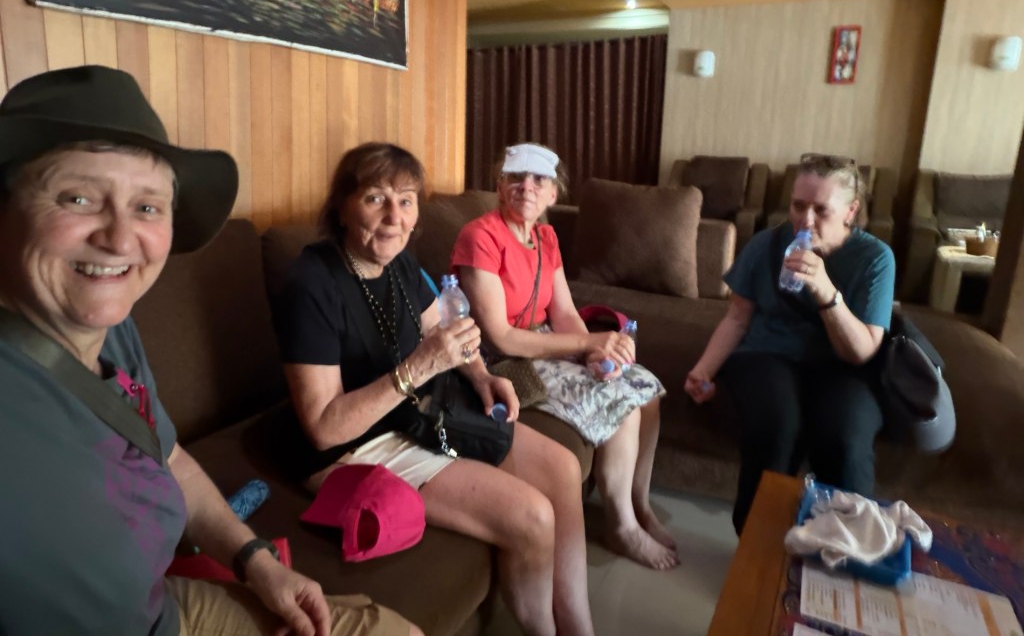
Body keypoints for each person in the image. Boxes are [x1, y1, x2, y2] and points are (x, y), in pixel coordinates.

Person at [0, 66, 417, 636]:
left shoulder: (112, 328)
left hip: (165, 612)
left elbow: (168, 458)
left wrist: (256, 562)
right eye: (77, 198)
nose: (119, 239)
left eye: (147, 207)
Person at [272, 142, 596, 636]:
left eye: (405, 201)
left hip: (416, 410)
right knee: (532, 517)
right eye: (375, 199)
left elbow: (439, 331)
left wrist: (482, 376)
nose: (393, 217)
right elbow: (323, 428)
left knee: (563, 467)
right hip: (354, 445)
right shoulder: (312, 284)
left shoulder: (399, 263)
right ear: (341, 207)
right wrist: (418, 370)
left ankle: (577, 624)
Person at [451, 143, 679, 571]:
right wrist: (586, 345)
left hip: (543, 342)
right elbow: (502, 337)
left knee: (645, 388)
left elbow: (565, 314)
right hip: (501, 357)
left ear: (553, 194)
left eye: (539, 179)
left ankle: (639, 503)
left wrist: (595, 351)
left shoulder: (546, 238)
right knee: (623, 403)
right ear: (499, 186)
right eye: (516, 177)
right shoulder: (480, 237)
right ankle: (622, 525)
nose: (527, 186)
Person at [684, 154, 896, 534]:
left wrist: (826, 292)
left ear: (850, 211)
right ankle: (757, 540)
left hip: (840, 365)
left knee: (845, 437)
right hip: (767, 354)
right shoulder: (766, 245)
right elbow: (737, 317)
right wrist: (704, 369)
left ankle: (842, 541)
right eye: (798, 206)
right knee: (777, 426)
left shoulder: (875, 258)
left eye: (821, 210)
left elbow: (862, 351)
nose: (805, 220)